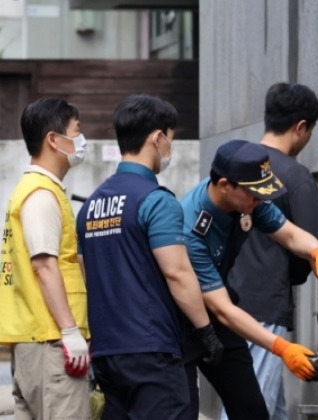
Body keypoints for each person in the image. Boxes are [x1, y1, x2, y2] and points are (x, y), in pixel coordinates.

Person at [76, 94, 224, 419]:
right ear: (158, 138)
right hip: (151, 350)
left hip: (106, 352)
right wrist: (207, 332)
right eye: (170, 138)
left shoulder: (90, 207)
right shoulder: (156, 201)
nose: (170, 147)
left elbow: (89, 275)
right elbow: (177, 272)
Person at [181, 139, 318, 420]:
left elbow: (289, 233)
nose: (260, 200)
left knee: (251, 409)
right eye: (254, 194)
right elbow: (222, 309)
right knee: (181, 410)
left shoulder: (248, 200)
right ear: (225, 185)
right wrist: (282, 347)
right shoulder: (192, 229)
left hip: (219, 308)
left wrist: (317, 250)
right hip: (184, 319)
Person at [225, 82, 318, 420]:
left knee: (273, 410)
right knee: (249, 409)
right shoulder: (293, 175)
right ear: (300, 128)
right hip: (264, 310)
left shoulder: (235, 165)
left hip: (227, 305)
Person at [0, 97, 91, 419]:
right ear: (53, 139)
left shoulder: (37, 190)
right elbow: (44, 265)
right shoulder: (40, 194)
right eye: (76, 131)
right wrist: (69, 331)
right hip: (51, 341)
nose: (81, 140)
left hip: (38, 338)